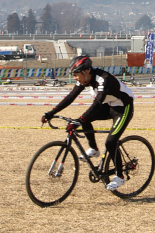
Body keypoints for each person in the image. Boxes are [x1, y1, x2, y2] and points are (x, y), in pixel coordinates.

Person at [41, 55, 135, 191]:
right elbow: (71, 96)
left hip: (123, 108)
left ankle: (119, 176)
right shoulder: (84, 79)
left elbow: (97, 104)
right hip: (108, 105)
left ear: (86, 72)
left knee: (110, 142)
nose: (74, 78)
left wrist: (80, 120)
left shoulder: (103, 79)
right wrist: (51, 112)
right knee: (84, 118)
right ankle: (94, 149)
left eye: (76, 75)